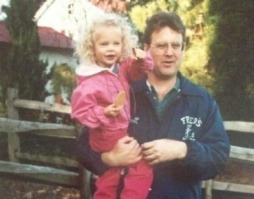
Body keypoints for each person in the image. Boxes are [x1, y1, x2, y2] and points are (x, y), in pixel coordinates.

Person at [75, 11, 230, 199]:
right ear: (146, 49)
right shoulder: (122, 91)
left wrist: (182, 150)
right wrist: (109, 158)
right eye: (162, 45)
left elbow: (219, 156)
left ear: (183, 49)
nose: (170, 53)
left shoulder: (201, 100)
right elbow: (83, 145)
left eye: (176, 45)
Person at [70, 10, 154, 199]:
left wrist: (142, 59)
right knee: (141, 166)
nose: (111, 49)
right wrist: (103, 112)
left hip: (118, 131)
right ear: (92, 48)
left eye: (116, 43)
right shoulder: (90, 80)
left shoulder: (119, 69)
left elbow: (138, 72)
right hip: (106, 134)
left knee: (110, 176)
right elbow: (78, 112)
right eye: (104, 44)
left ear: (123, 45)